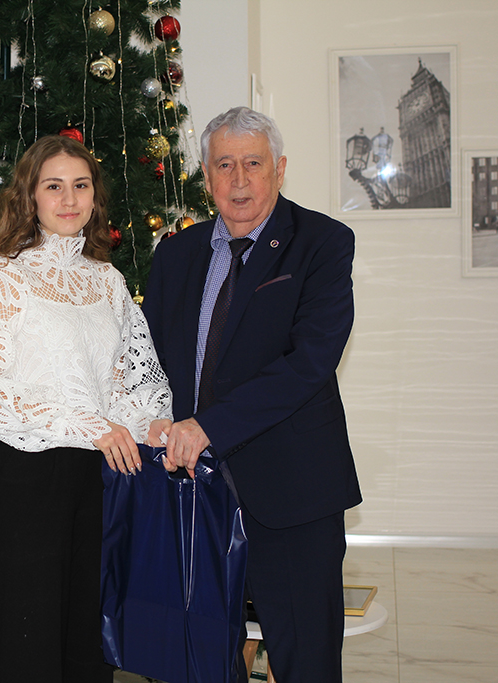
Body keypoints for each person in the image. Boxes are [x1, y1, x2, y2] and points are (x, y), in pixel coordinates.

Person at [142, 107, 362, 683]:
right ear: (206, 176)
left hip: (292, 489)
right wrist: (151, 416)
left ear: (279, 169)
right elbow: (150, 359)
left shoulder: (321, 243)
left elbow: (309, 363)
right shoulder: (176, 254)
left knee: (305, 656)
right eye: (224, 165)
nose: (239, 180)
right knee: (198, 655)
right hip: (191, 490)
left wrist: (208, 426)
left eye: (253, 164)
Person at [0, 135, 172, 683]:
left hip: (98, 483)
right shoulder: (5, 275)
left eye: (81, 185)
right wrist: (86, 423)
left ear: (95, 197)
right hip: (26, 480)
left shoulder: (109, 281)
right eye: (54, 186)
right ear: (29, 195)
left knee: (86, 650)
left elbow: (128, 380)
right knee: (26, 653)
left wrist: (152, 423)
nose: (69, 198)